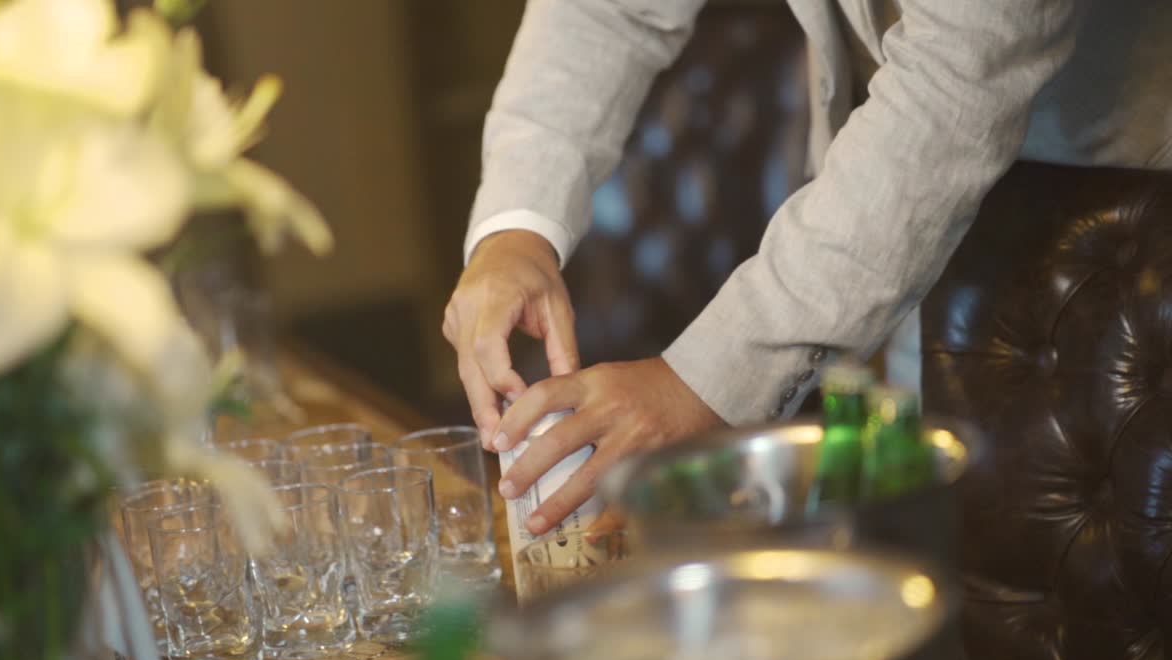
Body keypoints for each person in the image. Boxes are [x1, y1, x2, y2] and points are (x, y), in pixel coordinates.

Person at [443, 0, 1172, 536]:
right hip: (886, 251)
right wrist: (517, 228)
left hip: (1125, 266)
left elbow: (956, 83)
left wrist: (702, 380)